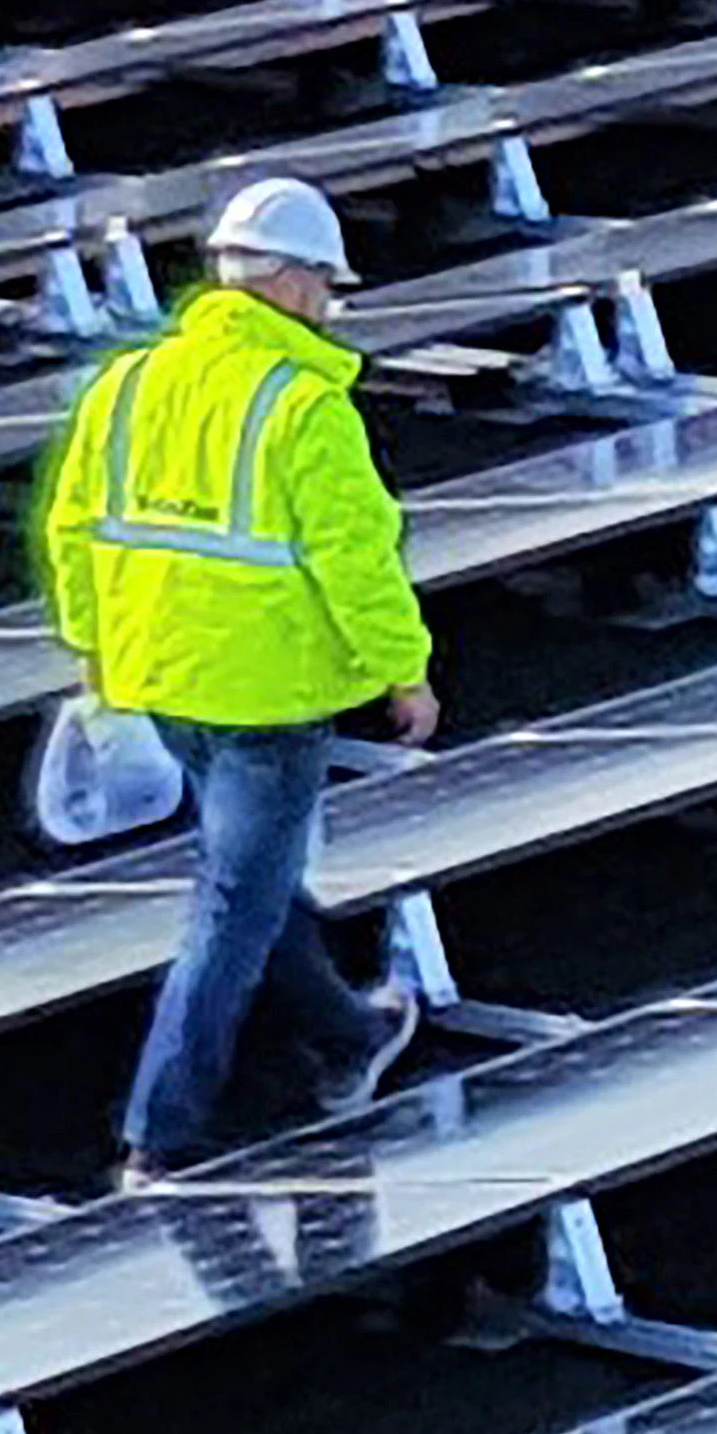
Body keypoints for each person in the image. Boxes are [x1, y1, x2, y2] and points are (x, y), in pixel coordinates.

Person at [35, 176, 442, 1186]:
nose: (329, 304)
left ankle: (349, 1034)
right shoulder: (303, 407)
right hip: (267, 696)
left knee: (247, 885)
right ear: (296, 284)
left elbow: (73, 527)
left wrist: (94, 647)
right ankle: (158, 1135)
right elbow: (358, 556)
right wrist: (406, 671)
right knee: (230, 909)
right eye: (326, 286)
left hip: (159, 676)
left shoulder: (126, 384)